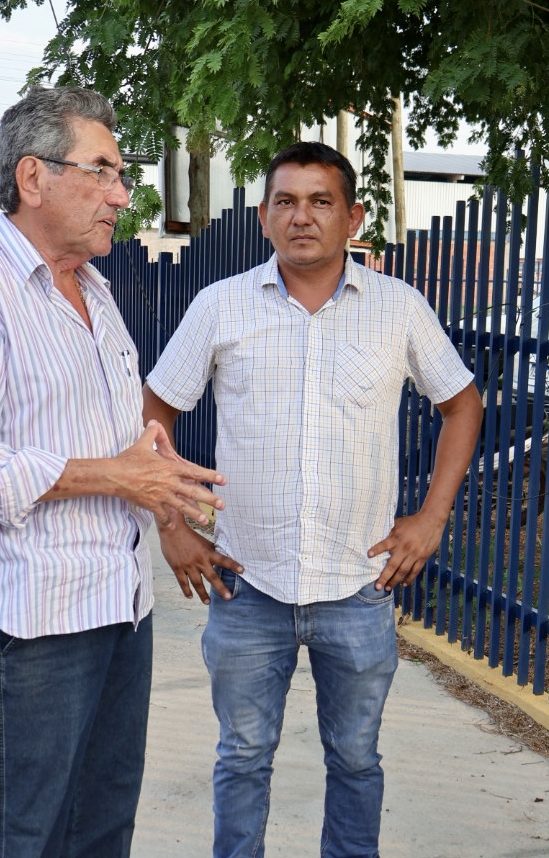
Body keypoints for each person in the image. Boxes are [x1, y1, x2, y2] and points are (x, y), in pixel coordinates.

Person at [0, 86, 234, 858]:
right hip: (31, 618)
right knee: (28, 834)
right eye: (104, 171)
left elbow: (127, 447)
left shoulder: (96, 290)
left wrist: (164, 497)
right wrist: (120, 478)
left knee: (101, 830)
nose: (123, 195)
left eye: (123, 176)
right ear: (33, 178)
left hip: (120, 608)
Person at [143, 141, 483, 858]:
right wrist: (172, 524)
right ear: (265, 217)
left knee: (357, 760)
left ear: (353, 215)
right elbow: (155, 413)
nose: (303, 217)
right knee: (242, 757)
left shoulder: (399, 309)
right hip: (245, 583)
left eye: (321, 201)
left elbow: (463, 404)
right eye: (287, 202)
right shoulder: (220, 306)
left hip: (358, 585)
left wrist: (431, 518)